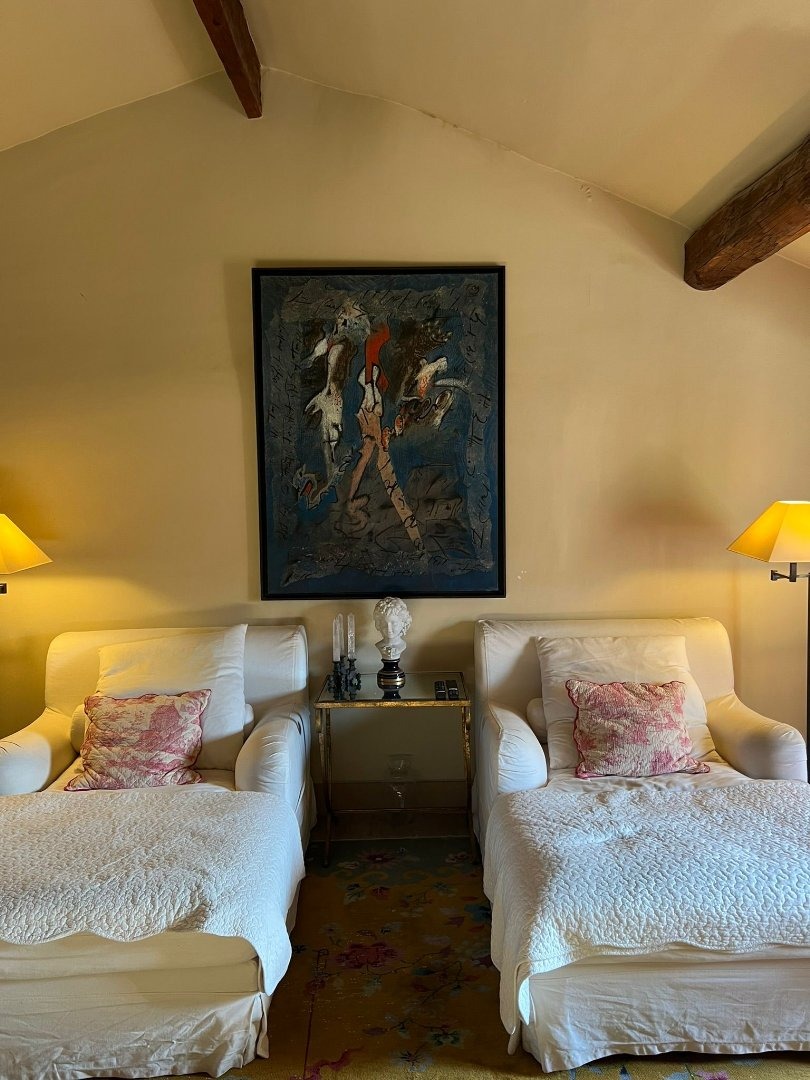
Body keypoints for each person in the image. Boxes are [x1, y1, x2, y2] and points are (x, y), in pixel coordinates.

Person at [373, 596, 412, 660]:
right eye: (384, 623)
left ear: (403, 623)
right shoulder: (379, 645)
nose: (389, 629)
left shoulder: (402, 645)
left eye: (394, 623)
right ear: (379, 624)